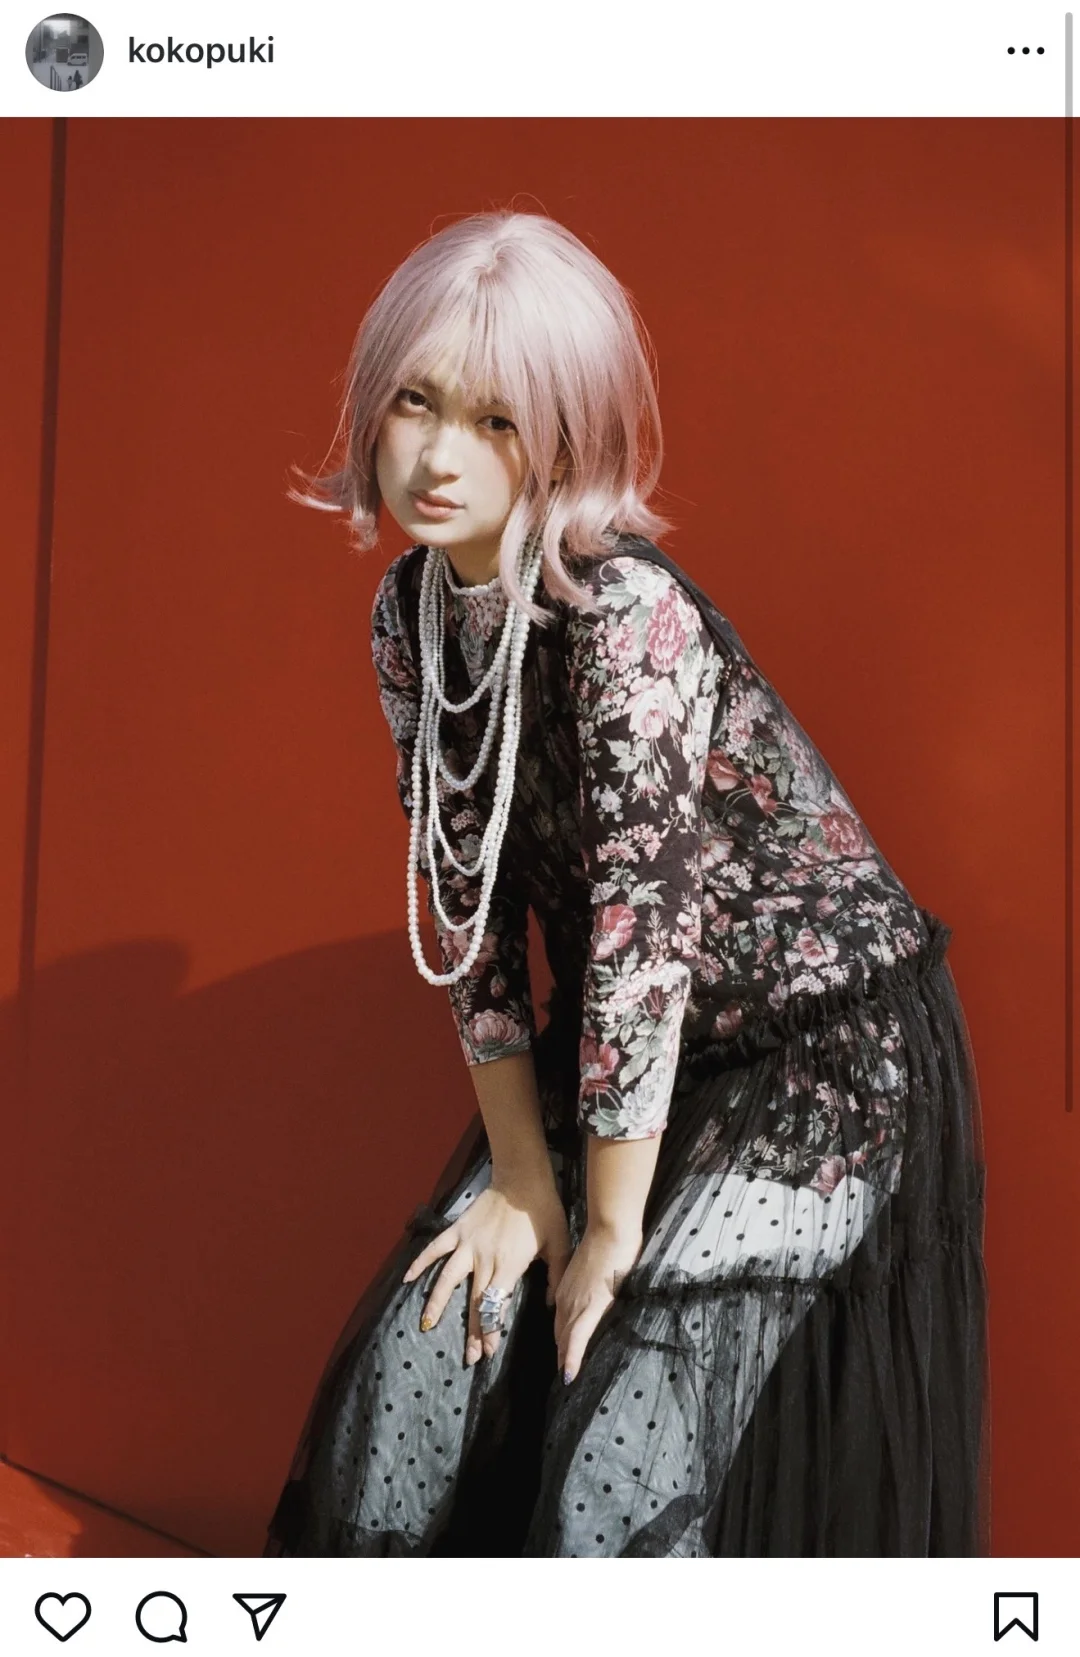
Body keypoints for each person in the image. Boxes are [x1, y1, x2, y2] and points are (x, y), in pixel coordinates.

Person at [262, 209, 988, 1557]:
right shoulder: (409, 618)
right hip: (621, 1055)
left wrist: (605, 1232)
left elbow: (642, 941)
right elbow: (470, 920)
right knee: (420, 1362)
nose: (437, 456)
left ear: (565, 436)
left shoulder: (623, 613)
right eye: (416, 402)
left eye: (496, 420)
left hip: (816, 1057)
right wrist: (521, 1180)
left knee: (628, 1439)